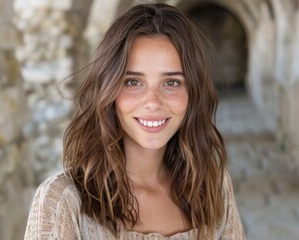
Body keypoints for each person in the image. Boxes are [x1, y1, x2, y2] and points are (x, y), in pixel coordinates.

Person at [24, 3, 245, 240]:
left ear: (193, 93)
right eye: (133, 82)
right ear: (108, 89)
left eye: (171, 83)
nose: (153, 102)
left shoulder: (211, 186)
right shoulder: (63, 202)